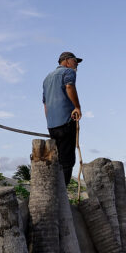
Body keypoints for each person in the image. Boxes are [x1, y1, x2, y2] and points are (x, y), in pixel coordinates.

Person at [42, 51, 83, 186]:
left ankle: (56, 189)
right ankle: (63, 192)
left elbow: (45, 103)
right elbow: (69, 86)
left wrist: (49, 120)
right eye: (75, 61)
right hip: (66, 121)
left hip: (52, 125)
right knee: (67, 161)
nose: (76, 64)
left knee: (57, 158)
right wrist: (77, 107)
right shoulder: (68, 72)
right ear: (66, 61)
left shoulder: (47, 78)